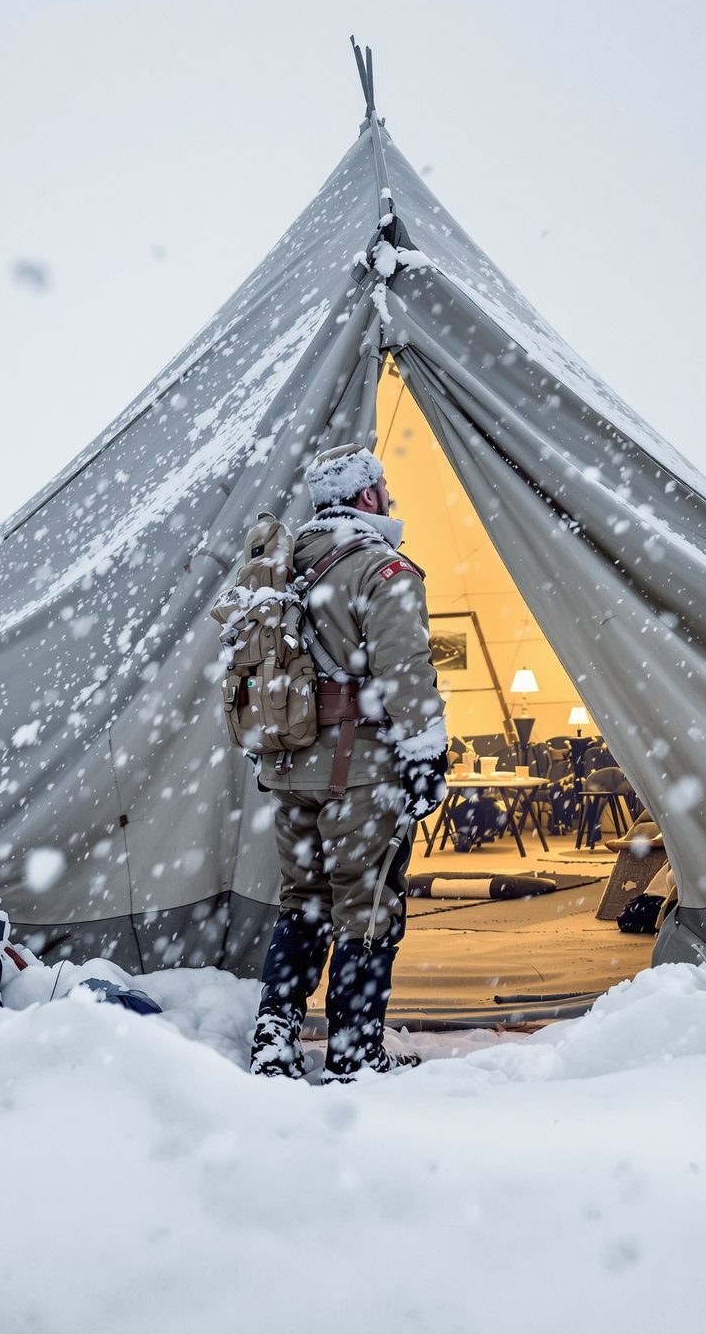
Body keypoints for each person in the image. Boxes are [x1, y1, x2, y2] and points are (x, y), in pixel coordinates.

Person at [249, 443, 448, 1083]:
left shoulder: (280, 570)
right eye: (383, 487)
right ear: (367, 497)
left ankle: (273, 1040)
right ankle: (354, 1053)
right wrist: (425, 753)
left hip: (288, 768)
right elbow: (406, 675)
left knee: (303, 902)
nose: (388, 497)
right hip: (359, 773)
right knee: (366, 908)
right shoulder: (380, 570)